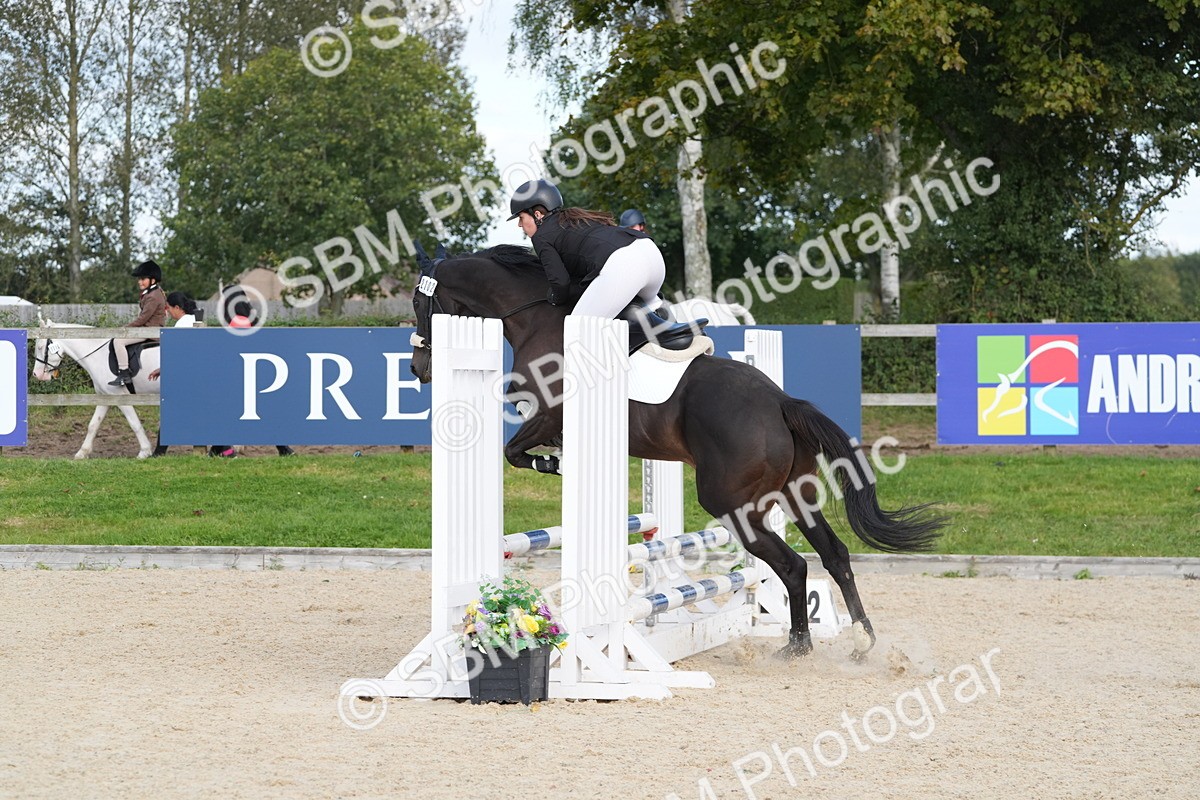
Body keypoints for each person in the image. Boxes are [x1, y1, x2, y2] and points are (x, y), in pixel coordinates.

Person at [508, 180, 665, 318]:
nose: (519, 225)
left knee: (578, 328)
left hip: (624, 265)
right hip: (651, 253)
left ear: (537, 214)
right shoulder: (575, 219)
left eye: (521, 218)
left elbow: (561, 284)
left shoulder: (541, 236)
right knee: (661, 323)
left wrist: (553, 297)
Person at [109, 259, 167, 386]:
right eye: (139, 279)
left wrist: (125, 328)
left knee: (118, 341)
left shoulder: (153, 296)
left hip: (149, 331)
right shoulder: (154, 292)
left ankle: (124, 374)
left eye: (143, 279)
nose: (139, 282)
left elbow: (143, 319)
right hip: (148, 328)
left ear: (153, 279)